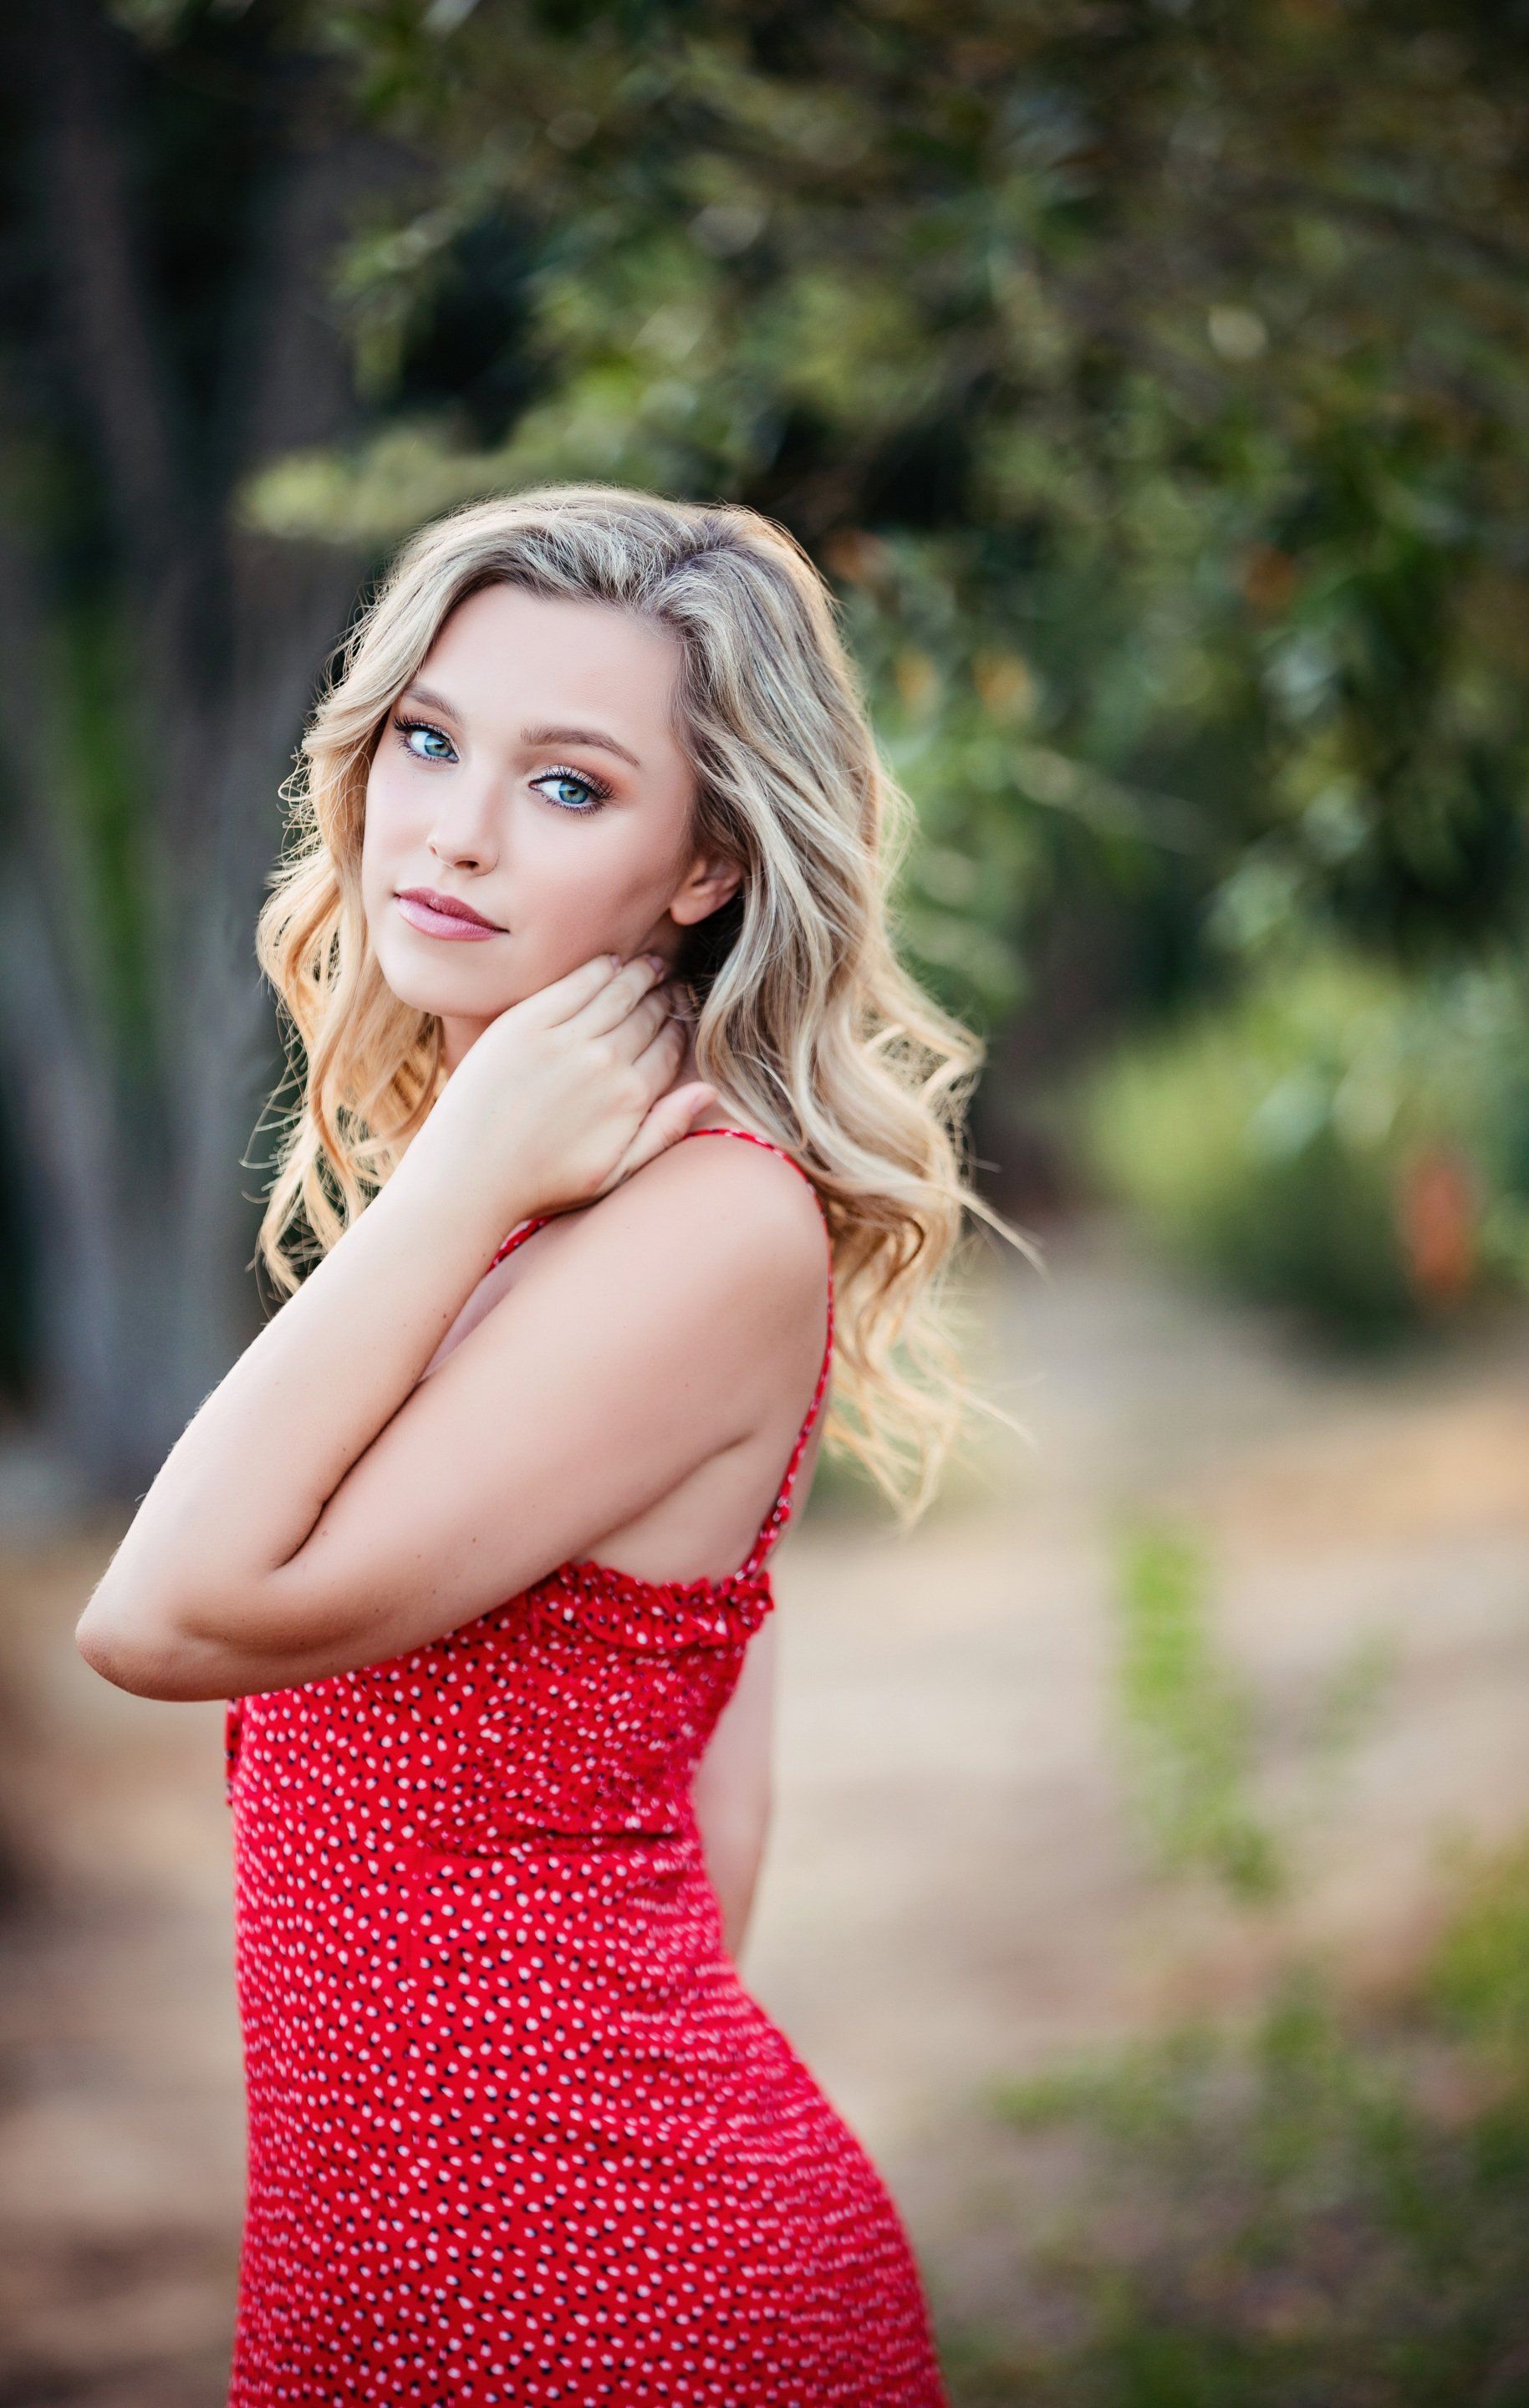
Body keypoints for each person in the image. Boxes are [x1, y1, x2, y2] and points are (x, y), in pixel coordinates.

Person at [76, 484, 1010, 2405]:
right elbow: (709, 1812)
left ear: (704, 867)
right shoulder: (568, 1200)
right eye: (427, 738)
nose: (455, 829)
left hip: (609, 2287)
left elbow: (159, 1617)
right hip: (436, 2276)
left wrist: (451, 1186)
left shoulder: (696, 1222)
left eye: (570, 786)